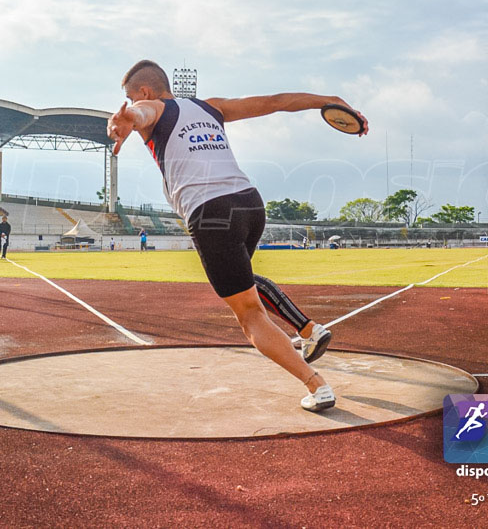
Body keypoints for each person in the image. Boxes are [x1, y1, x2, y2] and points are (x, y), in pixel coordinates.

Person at [107, 60, 368, 412]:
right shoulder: (211, 107)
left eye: (128, 96)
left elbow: (141, 114)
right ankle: (307, 330)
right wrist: (328, 99)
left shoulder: (149, 107)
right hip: (249, 205)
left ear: (144, 91)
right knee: (244, 283)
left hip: (210, 212)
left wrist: (128, 121)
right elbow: (276, 101)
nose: (128, 102)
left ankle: (315, 384)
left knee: (250, 316)